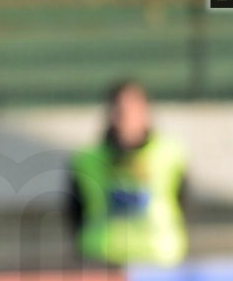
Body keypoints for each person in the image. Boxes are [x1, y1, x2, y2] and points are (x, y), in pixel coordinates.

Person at [68, 79, 191, 267]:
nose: (128, 118)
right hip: (102, 258)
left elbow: (183, 201)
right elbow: (75, 209)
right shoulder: (87, 159)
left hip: (160, 259)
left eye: (134, 110)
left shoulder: (170, 154)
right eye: (122, 111)